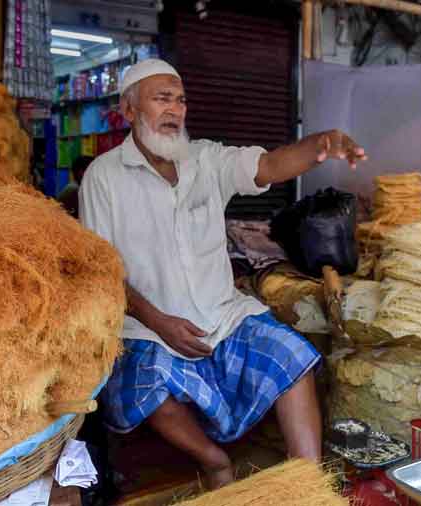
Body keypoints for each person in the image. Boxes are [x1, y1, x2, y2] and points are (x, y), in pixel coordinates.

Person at [79, 59, 366, 489]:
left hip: (223, 317)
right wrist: (161, 322)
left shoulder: (206, 160)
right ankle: (214, 462)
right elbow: (102, 273)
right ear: (129, 109)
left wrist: (320, 145)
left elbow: (267, 166)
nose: (175, 110)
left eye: (180, 100)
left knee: (293, 357)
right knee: (141, 380)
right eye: (162, 99)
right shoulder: (103, 179)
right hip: (150, 328)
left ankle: (309, 485)